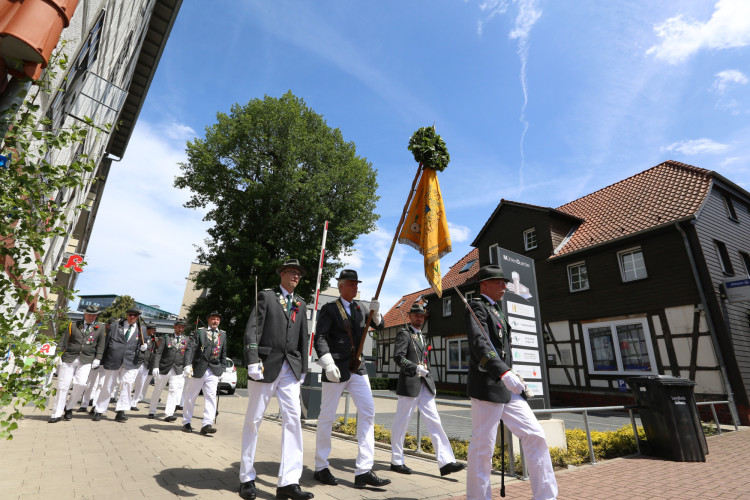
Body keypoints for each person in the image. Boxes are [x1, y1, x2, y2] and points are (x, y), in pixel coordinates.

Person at [465, 264, 557, 500]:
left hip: (507, 387)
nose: (504, 286)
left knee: (535, 434)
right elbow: (479, 345)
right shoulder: (478, 306)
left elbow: (502, 349)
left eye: (504, 282)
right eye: (498, 282)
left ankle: (546, 496)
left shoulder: (496, 310)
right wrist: (503, 372)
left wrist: (511, 375)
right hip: (487, 384)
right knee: (483, 446)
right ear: (484, 285)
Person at [239, 259, 313, 500]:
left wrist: (303, 367)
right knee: (254, 420)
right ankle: (247, 477)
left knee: (293, 421)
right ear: (281, 274)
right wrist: (252, 357)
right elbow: (253, 328)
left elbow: (303, 337)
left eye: (299, 274)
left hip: (290, 368)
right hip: (265, 365)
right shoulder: (267, 296)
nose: (296, 276)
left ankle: (288, 482)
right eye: (292, 272)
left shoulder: (301, 303)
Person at [313, 269, 390, 489]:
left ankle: (364, 470)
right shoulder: (329, 309)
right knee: (327, 416)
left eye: (357, 284)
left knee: (368, 412)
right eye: (352, 284)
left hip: (358, 367)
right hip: (335, 368)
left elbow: (380, 327)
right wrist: (327, 362)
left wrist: (376, 314)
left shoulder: (360, 308)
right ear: (341, 286)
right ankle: (320, 466)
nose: (356, 287)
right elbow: (321, 337)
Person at [390, 303, 465, 477]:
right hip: (410, 384)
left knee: (435, 421)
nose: (419, 318)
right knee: (401, 423)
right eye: (416, 315)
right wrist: (415, 368)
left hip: (425, 385)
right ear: (410, 317)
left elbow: (425, 359)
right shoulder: (404, 334)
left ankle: (446, 462)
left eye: (422, 316)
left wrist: (429, 378)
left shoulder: (422, 336)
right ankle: (396, 461)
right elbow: (398, 357)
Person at [49, 305, 106, 423]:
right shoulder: (73, 325)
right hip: (69, 357)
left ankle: (69, 407)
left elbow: (101, 344)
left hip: (86, 359)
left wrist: (98, 358)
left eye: (94, 315)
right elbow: (63, 340)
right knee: (62, 386)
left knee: (81, 384)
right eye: (89, 314)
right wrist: (58, 355)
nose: (91, 317)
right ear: (84, 314)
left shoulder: (100, 327)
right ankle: (57, 413)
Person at [93, 308, 148, 422]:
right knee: (108, 385)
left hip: (130, 361)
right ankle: (99, 410)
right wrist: (101, 360)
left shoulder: (142, 329)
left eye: (135, 315)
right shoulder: (115, 326)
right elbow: (107, 342)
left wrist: (144, 348)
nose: (132, 317)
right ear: (126, 315)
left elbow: (142, 344)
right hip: (114, 359)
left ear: (138, 316)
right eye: (130, 314)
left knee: (127, 385)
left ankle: (121, 411)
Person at [182, 311, 227, 434]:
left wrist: (223, 368)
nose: (215, 321)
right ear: (208, 320)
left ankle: (207, 424)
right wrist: (187, 365)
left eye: (217, 319)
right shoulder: (200, 332)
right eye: (213, 319)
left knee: (211, 397)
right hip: (199, 368)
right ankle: (186, 421)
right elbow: (190, 349)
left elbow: (223, 353)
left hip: (214, 369)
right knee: (191, 396)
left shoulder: (222, 335)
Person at [148, 318, 189, 421]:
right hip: (164, 367)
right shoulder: (166, 338)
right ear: (174, 327)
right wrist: (156, 366)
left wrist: (187, 366)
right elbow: (159, 353)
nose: (180, 328)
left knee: (173, 391)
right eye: (179, 326)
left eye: (182, 327)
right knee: (158, 389)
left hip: (177, 369)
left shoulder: (186, 339)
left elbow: (187, 355)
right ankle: (152, 410)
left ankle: (169, 414)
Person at [131, 322, 158, 409]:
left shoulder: (153, 340)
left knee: (140, 384)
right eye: (152, 330)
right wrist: (140, 348)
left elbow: (154, 352)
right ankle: (126, 401)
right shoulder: (140, 337)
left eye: (154, 330)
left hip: (146, 364)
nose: (154, 332)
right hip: (136, 362)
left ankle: (134, 403)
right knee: (130, 382)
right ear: (148, 330)